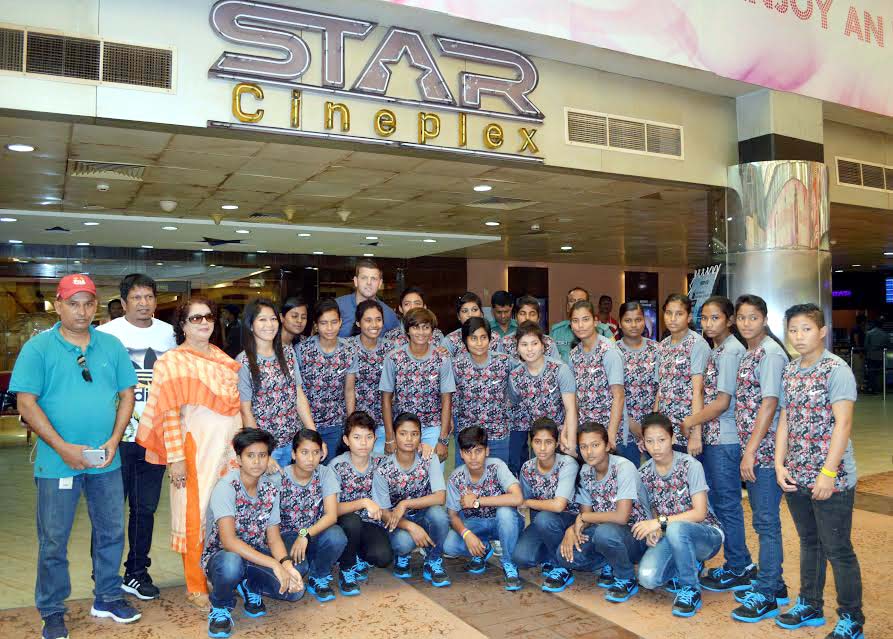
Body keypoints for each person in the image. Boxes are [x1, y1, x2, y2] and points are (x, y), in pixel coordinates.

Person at [11, 274, 141, 639]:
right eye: (73, 302)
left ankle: (108, 596)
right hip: (57, 463)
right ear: (58, 304)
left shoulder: (111, 346)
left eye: (88, 303)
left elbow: (127, 394)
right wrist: (62, 447)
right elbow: (26, 402)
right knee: (54, 539)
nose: (81, 311)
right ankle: (52, 610)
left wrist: (115, 439)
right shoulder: (39, 349)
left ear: (96, 306)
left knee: (111, 532)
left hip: (106, 460)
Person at [137, 297, 243, 609]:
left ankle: (220, 576)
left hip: (229, 449)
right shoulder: (173, 362)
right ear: (182, 325)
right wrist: (176, 458)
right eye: (195, 318)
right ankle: (196, 585)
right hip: (194, 449)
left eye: (208, 317)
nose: (204, 323)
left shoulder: (223, 359)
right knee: (195, 513)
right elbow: (168, 414)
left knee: (224, 511)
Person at [775, 303, 864, 639]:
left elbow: (843, 424)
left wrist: (827, 474)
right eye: (793, 329)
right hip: (796, 473)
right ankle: (810, 604)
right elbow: (785, 418)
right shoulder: (791, 370)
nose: (799, 336)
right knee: (810, 541)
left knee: (837, 548)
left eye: (806, 329)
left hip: (833, 477)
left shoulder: (836, 369)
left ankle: (852, 619)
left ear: (822, 331)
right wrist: (779, 463)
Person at [706, 294, 790, 621]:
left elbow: (769, 405)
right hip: (754, 450)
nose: (746, 323)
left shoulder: (770, 353)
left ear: (764, 319)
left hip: (767, 453)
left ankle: (768, 591)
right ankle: (775, 583)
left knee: (766, 522)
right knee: (762, 519)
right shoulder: (752, 352)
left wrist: (751, 450)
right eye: (741, 318)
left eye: (752, 318)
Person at [97, 273, 177, 601]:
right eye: (137, 298)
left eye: (149, 297)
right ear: (124, 301)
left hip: (153, 438)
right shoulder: (105, 334)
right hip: (116, 437)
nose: (144, 304)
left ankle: (136, 571)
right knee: (111, 509)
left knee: (145, 509)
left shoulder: (168, 333)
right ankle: (104, 575)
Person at [677, 296, 756, 612]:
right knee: (722, 504)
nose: (709, 324)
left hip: (725, 439)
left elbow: (723, 401)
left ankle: (739, 567)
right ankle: (739, 561)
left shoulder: (732, 351)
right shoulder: (717, 349)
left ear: (730, 319)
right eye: (705, 318)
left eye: (715, 318)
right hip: (714, 437)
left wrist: (690, 421)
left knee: (727, 504)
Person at [201, 429, 303, 638]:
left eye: (262, 455)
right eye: (250, 456)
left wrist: (286, 564)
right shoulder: (226, 487)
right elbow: (229, 542)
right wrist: (274, 564)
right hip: (222, 557)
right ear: (238, 458)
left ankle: (249, 585)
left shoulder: (270, 488)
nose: (257, 462)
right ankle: (220, 607)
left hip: (255, 553)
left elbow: (273, 537)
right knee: (231, 565)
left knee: (296, 589)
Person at [634, 413, 724, 618]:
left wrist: (659, 523)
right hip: (671, 534)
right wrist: (653, 531)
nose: (656, 447)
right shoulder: (643, 474)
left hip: (706, 535)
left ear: (673, 439)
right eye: (649, 441)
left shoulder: (691, 465)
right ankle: (689, 565)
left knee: (675, 527)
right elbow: (650, 514)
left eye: (661, 440)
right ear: (643, 443)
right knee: (647, 578)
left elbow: (700, 513)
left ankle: (690, 589)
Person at [556, 422, 648, 603]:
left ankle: (625, 578)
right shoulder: (585, 471)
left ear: (607, 446)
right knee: (565, 557)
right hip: (603, 532)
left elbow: (622, 517)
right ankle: (610, 562)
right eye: (583, 446)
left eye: (595, 445)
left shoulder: (623, 467)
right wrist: (572, 529)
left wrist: (583, 518)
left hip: (636, 535)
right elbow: (586, 516)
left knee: (606, 533)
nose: (589, 452)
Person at [372, 412, 451, 587]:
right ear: (394, 434)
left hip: (423, 514)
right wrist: (410, 526)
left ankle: (433, 560)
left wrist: (405, 503)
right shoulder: (383, 469)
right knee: (403, 542)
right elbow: (384, 513)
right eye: (403, 433)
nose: (409, 439)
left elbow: (440, 497)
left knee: (440, 515)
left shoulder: (429, 459)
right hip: (396, 521)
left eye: (414, 434)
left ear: (420, 437)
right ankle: (402, 557)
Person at [236, 298, 316, 470]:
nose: (269, 325)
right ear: (251, 325)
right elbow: (245, 410)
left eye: (273, 319)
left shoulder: (287, 352)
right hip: (268, 448)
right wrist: (261, 451)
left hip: (295, 443)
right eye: (262, 319)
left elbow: (299, 396)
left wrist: (313, 435)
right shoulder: (244, 361)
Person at [443, 426, 524, 591]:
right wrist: (467, 535)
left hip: (504, 523)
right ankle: (482, 549)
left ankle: (509, 563)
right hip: (475, 524)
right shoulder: (456, 477)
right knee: (449, 545)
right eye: (468, 452)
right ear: (461, 454)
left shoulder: (497, 466)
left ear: (487, 451)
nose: (473, 457)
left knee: (505, 512)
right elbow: (452, 515)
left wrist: (478, 501)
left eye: (478, 451)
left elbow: (517, 497)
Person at [277, 429, 347, 602]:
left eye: (316, 453)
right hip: (287, 535)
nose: (310, 458)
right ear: (293, 454)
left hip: (314, 532)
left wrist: (305, 534)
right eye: (304, 452)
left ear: (322, 454)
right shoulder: (279, 477)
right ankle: (306, 564)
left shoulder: (325, 473)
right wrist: (299, 537)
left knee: (337, 536)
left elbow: (331, 516)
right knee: (298, 569)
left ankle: (318, 576)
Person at [511, 418, 579, 591]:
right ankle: (551, 555)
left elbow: (558, 506)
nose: (542, 448)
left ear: (556, 443)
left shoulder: (567, 464)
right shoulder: (527, 468)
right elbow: (527, 508)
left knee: (544, 518)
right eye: (537, 442)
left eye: (548, 442)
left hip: (569, 520)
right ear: (531, 442)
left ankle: (562, 566)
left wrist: (527, 502)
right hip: (543, 522)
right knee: (521, 558)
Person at [329, 412, 392, 595]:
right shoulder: (336, 466)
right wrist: (364, 502)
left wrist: (423, 447)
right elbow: (332, 509)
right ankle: (346, 569)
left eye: (368, 437)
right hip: (343, 522)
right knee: (352, 521)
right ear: (346, 440)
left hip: (371, 522)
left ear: (375, 438)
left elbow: (405, 461)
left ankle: (357, 555)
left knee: (382, 557)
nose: (363, 443)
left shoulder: (382, 462)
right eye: (357, 437)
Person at [380, 308, 456, 457]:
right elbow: (386, 398)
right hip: (403, 428)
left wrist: (443, 439)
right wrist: (390, 437)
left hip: (432, 427)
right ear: (407, 330)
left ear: (432, 331)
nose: (421, 332)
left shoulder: (442, 359)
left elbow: (446, 399)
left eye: (426, 327)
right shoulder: (394, 358)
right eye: (416, 327)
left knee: (433, 474)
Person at [507, 321, 578, 476]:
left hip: (561, 435)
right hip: (538, 440)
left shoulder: (560, 369)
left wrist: (570, 441)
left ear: (543, 345)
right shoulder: (515, 377)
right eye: (524, 344)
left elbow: (571, 409)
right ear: (517, 348)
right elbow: (517, 412)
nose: (530, 349)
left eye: (534, 343)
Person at [568, 300, 627, 462]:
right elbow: (575, 398)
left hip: (608, 432)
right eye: (575, 320)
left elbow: (619, 396)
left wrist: (611, 436)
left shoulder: (608, 351)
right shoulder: (574, 355)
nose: (580, 325)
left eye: (585, 319)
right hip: (586, 433)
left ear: (595, 321)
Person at [653, 294, 711, 454]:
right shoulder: (662, 346)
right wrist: (653, 425)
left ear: (689, 317)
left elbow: (698, 390)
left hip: (687, 429)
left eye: (679, 314)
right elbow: (661, 388)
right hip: (666, 432)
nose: (673, 318)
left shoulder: (697, 344)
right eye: (668, 313)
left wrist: (696, 434)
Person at [296, 299, 353, 460]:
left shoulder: (348, 350)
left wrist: (350, 424)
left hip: (335, 425)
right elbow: (297, 391)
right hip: (306, 424)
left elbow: (349, 391)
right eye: (324, 323)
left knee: (331, 471)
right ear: (316, 325)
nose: (329, 328)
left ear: (340, 322)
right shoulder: (302, 350)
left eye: (334, 322)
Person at [451, 317, 512, 465]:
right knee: (466, 479)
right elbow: (450, 397)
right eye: (473, 338)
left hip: (497, 433)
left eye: (483, 337)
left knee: (498, 478)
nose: (479, 343)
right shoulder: (456, 365)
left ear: (490, 339)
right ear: (465, 340)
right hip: (468, 434)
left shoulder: (504, 361)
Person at [345, 300, 390, 455]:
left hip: (385, 424)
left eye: (378, 320)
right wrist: (351, 424)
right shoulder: (347, 347)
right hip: (357, 425)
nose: (374, 325)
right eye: (368, 320)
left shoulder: (391, 348)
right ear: (358, 322)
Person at [616, 302, 660, 459]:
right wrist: (629, 422)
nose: (634, 325)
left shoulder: (657, 349)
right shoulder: (612, 351)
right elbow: (609, 393)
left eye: (638, 319)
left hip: (653, 427)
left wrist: (652, 422)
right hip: (622, 427)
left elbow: (661, 388)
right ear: (620, 323)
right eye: (628, 320)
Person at [336, 258, 399, 338]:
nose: (369, 283)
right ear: (356, 281)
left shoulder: (389, 314)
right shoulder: (337, 306)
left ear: (380, 283)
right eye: (364, 278)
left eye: (373, 278)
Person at [551, 287, 614, 363]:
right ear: (567, 307)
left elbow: (614, 359)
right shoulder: (556, 331)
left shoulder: (603, 330)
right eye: (572, 301)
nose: (576, 304)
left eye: (581, 301)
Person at [500, 296, 560, 360]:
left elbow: (557, 367)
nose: (527, 318)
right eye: (523, 314)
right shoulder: (505, 343)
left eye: (532, 314)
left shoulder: (548, 342)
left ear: (538, 318)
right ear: (516, 317)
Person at [441, 291, 499, 356]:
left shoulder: (495, 337)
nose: (470, 314)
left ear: (482, 314)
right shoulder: (450, 340)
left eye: (474, 310)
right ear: (458, 317)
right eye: (465, 311)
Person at [863, 317, 889, 394]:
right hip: (881, 356)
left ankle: (872, 388)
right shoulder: (885, 334)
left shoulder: (869, 333)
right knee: (880, 373)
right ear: (882, 325)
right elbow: (888, 345)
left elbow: (865, 346)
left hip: (871, 356)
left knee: (871, 372)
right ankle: (880, 388)